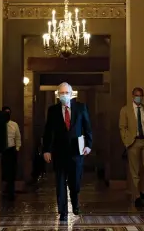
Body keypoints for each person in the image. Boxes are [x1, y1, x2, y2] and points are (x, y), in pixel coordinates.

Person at [43, 82, 92, 221]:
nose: (64, 95)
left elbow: (87, 127)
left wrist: (88, 145)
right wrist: (47, 150)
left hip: (76, 151)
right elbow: (48, 131)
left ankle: (75, 203)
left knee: (75, 181)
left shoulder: (81, 108)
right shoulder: (53, 110)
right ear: (58, 95)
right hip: (59, 152)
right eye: (61, 93)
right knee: (60, 182)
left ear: (71, 94)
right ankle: (63, 212)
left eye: (66, 93)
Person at [119, 87, 144, 208]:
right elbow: (122, 127)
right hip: (133, 142)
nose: (139, 97)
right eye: (137, 95)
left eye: (141, 95)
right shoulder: (125, 110)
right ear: (133, 96)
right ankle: (137, 196)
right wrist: (126, 141)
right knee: (135, 171)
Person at [1, 106, 21, 201]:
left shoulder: (14, 125)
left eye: (8, 112)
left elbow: (18, 137)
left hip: (11, 150)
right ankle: (4, 191)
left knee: (12, 172)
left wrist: (17, 148)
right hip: (2, 150)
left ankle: (11, 192)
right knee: (3, 171)